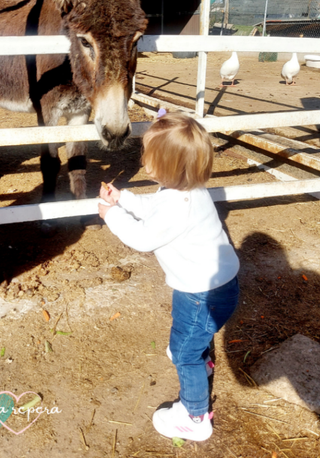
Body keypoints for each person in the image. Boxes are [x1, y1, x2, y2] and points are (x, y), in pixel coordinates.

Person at [98, 112, 239, 442]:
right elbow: (155, 208)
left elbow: (143, 238)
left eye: (148, 155)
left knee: (184, 351)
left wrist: (112, 215)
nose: (144, 160)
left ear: (162, 165)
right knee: (189, 335)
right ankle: (198, 361)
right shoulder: (188, 191)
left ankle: (194, 417)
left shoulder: (177, 206)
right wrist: (125, 200)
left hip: (201, 293)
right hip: (215, 287)